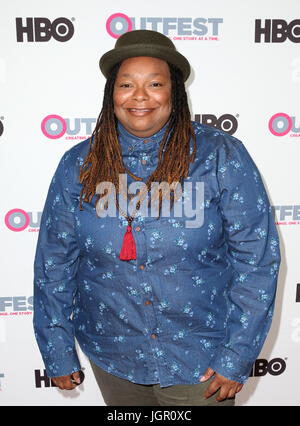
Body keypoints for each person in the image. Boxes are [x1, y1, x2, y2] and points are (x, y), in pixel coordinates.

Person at [33, 30, 281, 406]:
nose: (140, 96)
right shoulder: (79, 165)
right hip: (113, 357)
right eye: (127, 84)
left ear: (174, 92)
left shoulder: (220, 157)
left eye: (155, 84)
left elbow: (256, 261)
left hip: (201, 362)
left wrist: (237, 355)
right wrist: (56, 347)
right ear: (111, 94)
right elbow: (54, 262)